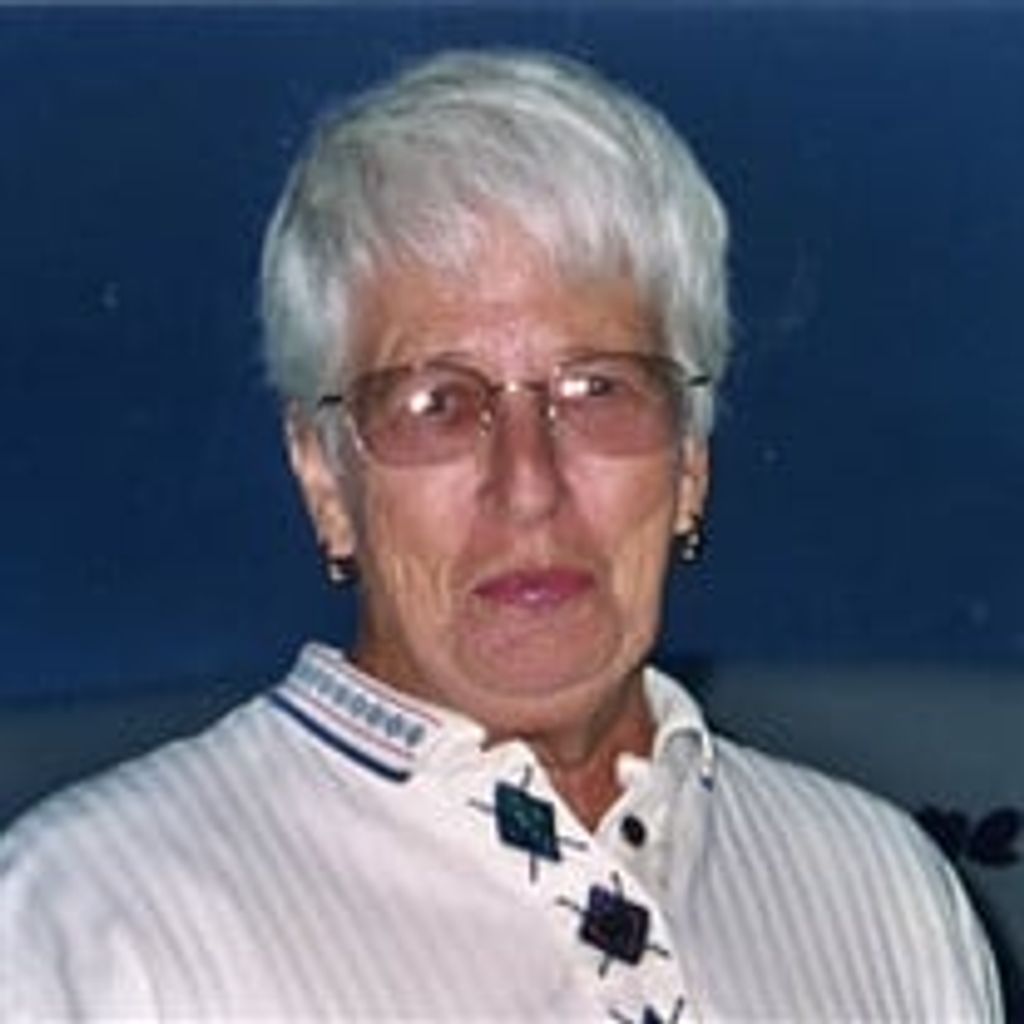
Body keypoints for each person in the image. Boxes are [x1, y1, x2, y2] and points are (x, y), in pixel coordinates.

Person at [0, 49, 1002, 1022]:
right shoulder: (92, 927)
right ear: (326, 477)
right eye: (437, 404)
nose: (528, 485)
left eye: (597, 390)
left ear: (690, 461)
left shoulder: (888, 899)